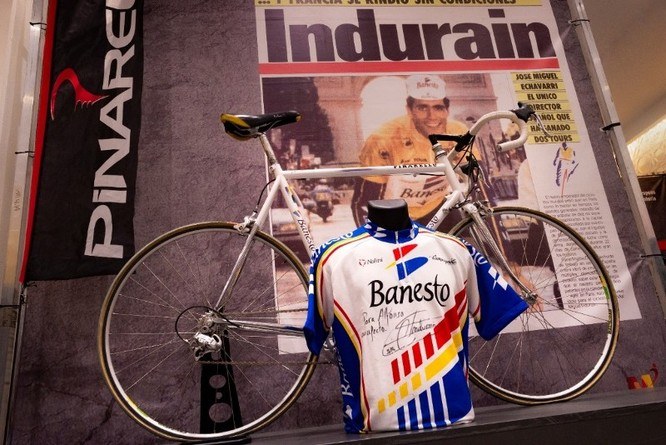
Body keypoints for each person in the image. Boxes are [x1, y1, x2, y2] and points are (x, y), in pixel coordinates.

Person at [304, 198, 527, 432]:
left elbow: (496, 312)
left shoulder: (456, 249)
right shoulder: (332, 257)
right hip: (375, 423)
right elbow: (316, 331)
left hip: (454, 414)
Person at [351, 74, 469, 226]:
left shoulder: (458, 131)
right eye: (422, 108)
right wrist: (373, 236)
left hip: (437, 207)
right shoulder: (382, 139)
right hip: (395, 212)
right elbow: (363, 203)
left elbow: (481, 186)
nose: (431, 116)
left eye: (438, 107)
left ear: (447, 110)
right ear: (409, 110)